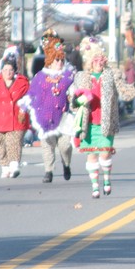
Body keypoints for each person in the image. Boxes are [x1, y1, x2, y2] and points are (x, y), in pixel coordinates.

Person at [21, 31, 75, 184]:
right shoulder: (40, 77)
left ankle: (66, 164)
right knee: (47, 146)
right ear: (50, 61)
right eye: (57, 60)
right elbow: (31, 94)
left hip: (64, 117)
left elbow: (79, 89)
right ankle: (48, 171)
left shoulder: (69, 76)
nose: (59, 63)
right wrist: (22, 109)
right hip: (45, 116)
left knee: (65, 146)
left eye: (61, 60)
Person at [70, 38, 120, 198]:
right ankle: (94, 187)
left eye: (101, 60)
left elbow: (124, 90)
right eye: (95, 60)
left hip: (105, 122)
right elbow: (74, 101)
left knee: (105, 152)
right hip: (88, 123)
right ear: (90, 62)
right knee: (91, 155)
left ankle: (106, 180)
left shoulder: (110, 76)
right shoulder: (82, 78)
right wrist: (81, 99)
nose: (99, 63)